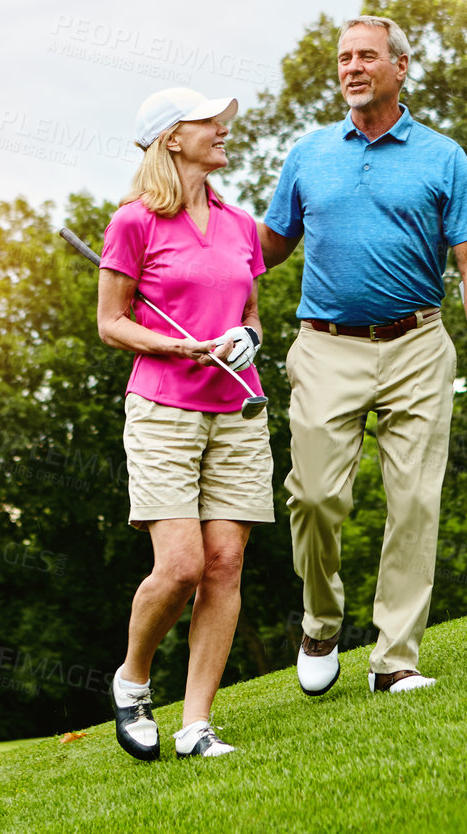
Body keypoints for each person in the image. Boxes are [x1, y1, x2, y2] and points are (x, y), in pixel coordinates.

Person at [259, 15, 467, 696]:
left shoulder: (443, 156)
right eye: (344, 59)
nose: (352, 68)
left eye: (367, 56)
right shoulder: (309, 154)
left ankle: (394, 660)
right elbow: (269, 248)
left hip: (419, 346)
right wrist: (191, 247)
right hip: (326, 346)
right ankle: (321, 619)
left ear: (401, 66)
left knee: (415, 503)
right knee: (311, 497)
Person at [95, 87, 271, 759]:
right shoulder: (133, 222)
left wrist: (248, 340)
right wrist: (174, 345)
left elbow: (250, 313)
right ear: (172, 138)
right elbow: (112, 323)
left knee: (224, 564)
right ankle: (133, 680)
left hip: (238, 407)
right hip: (165, 406)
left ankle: (197, 724)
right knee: (181, 567)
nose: (224, 130)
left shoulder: (239, 224)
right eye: (210, 123)